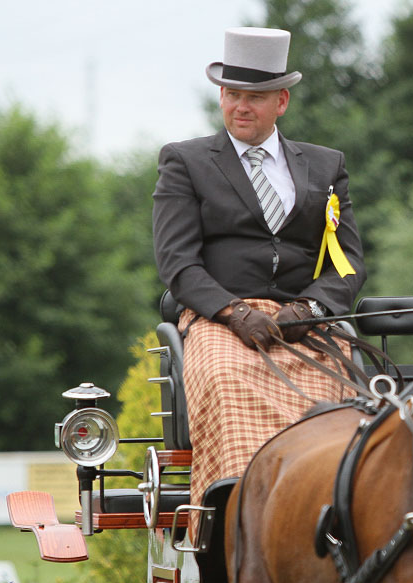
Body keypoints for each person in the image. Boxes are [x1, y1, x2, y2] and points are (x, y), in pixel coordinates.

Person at [152, 26, 366, 527]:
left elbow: (348, 261)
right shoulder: (185, 161)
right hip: (221, 321)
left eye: (254, 97)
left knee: (348, 396)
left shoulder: (325, 166)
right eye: (232, 94)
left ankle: (334, 512)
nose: (240, 107)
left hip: (303, 321)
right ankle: (240, 518)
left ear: (281, 101)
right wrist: (235, 311)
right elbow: (178, 262)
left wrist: (308, 309)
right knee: (228, 379)